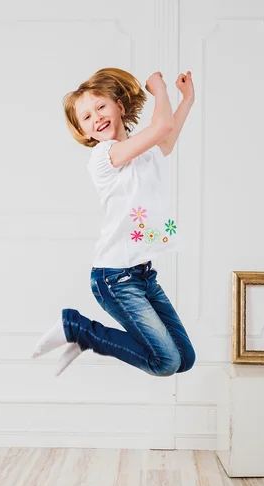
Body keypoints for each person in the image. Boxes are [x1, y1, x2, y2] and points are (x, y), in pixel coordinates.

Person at [32, 67, 196, 377]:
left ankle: (85, 338)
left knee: (184, 359)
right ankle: (79, 329)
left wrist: (186, 99)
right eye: (86, 117)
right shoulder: (105, 156)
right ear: (84, 132)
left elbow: (167, 136)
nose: (96, 118)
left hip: (143, 275)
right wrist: (158, 89)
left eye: (101, 107)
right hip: (115, 278)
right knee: (166, 363)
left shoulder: (143, 152)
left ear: (119, 107)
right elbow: (162, 126)